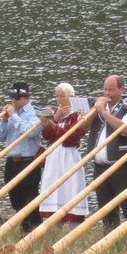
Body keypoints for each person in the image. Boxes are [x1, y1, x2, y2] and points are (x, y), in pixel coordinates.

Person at [86, 75, 127, 233]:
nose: (107, 93)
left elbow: (125, 129)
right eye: (105, 89)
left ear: (122, 90)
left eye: (111, 90)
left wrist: (104, 112)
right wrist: (94, 111)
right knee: (105, 209)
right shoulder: (98, 108)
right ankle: (109, 241)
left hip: (123, 165)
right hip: (100, 166)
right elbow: (83, 127)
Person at [0, 81, 43, 232]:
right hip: (11, 160)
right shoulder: (10, 115)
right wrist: (4, 120)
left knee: (30, 197)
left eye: (17, 98)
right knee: (15, 196)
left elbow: (30, 131)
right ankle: (23, 226)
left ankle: (34, 228)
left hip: (28, 160)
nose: (13, 101)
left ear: (26, 97)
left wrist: (13, 116)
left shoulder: (34, 112)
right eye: (12, 97)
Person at [37, 83, 88, 224]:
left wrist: (53, 125)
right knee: (53, 187)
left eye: (62, 96)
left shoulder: (77, 115)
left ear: (71, 97)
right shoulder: (56, 113)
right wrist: (54, 119)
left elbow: (72, 137)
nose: (58, 99)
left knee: (70, 187)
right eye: (57, 96)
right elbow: (47, 136)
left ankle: (73, 222)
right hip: (54, 156)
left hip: (69, 156)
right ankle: (54, 223)